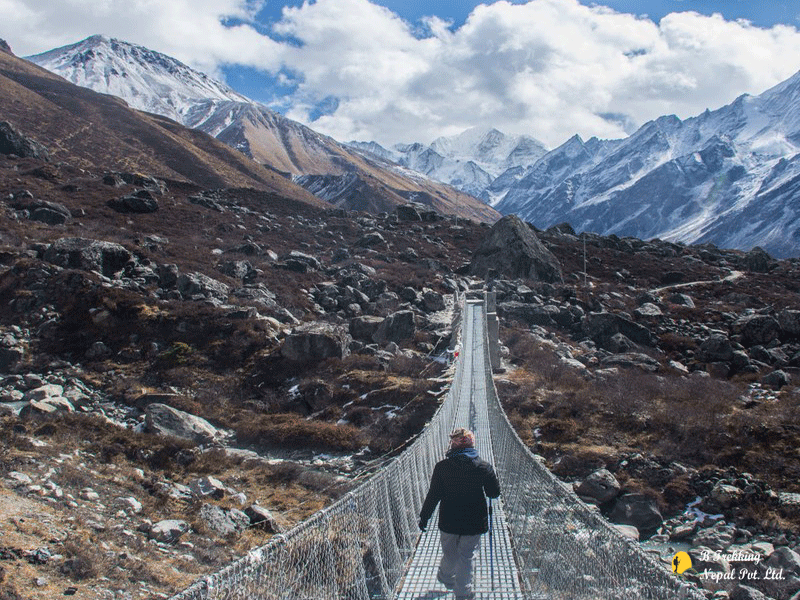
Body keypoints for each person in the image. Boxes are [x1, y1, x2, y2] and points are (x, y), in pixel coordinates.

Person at [418, 428, 501, 600]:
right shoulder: (484, 467)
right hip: (474, 522)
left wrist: (425, 516)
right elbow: (494, 493)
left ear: (453, 445)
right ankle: (463, 593)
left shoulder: (442, 467)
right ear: (472, 444)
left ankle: (445, 576)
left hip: (449, 521)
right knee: (466, 557)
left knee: (450, 554)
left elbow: (434, 494)